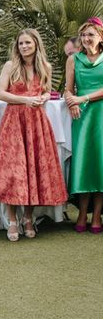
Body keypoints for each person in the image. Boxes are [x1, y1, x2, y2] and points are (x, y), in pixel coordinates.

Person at [0, 29, 68, 241]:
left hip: (37, 123)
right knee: (13, 171)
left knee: (33, 169)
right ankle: (12, 219)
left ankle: (28, 218)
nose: (24, 47)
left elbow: (47, 90)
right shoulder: (11, 66)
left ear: (36, 44)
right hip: (14, 122)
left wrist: (43, 97)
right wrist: (26, 100)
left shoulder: (44, 67)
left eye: (28, 43)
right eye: (21, 43)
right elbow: (0, 93)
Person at [64, 17, 103, 233]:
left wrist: (82, 99)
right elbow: (68, 89)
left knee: (100, 165)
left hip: (101, 115)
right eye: (84, 35)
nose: (86, 38)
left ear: (101, 36)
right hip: (82, 118)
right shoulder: (73, 59)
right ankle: (81, 214)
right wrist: (71, 102)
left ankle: (97, 216)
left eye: (91, 34)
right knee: (84, 164)